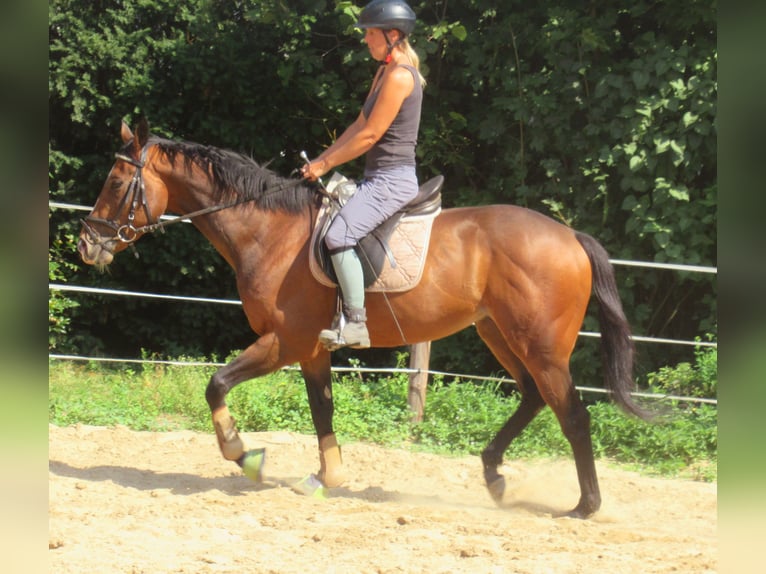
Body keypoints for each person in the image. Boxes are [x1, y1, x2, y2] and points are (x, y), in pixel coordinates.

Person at [301, 0, 425, 350]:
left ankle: (356, 324)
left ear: (393, 35)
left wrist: (325, 166)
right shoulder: (384, 71)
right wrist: (321, 161)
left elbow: (371, 136)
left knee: (337, 236)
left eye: (371, 33)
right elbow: (359, 124)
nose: (366, 40)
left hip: (392, 180)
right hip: (377, 177)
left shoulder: (401, 76)